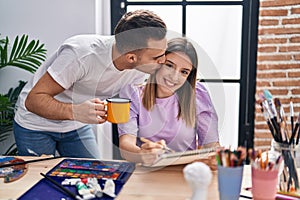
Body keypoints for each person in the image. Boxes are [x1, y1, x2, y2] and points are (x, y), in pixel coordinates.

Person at [13, 9, 167, 158]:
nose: (164, 60)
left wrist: (139, 152)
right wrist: (74, 111)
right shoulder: (82, 54)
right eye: (157, 57)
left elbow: (128, 113)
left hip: (76, 124)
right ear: (131, 58)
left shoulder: (141, 68)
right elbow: (33, 100)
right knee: (39, 180)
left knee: (94, 175)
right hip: (35, 125)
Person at [118, 37, 220, 169]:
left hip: (185, 174)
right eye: (169, 65)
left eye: (184, 72)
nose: (174, 76)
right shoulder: (133, 94)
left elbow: (211, 145)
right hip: (146, 173)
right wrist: (143, 155)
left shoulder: (198, 94)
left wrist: (215, 157)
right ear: (158, 63)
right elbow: (126, 145)